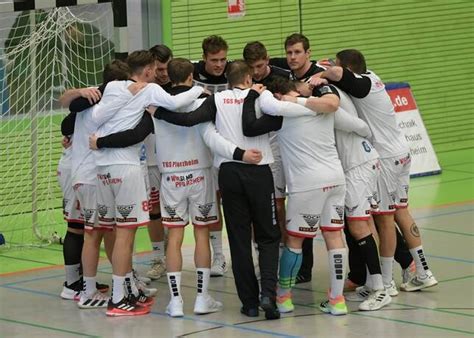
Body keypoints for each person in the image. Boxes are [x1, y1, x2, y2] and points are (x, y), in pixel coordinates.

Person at [152, 61, 317, 320]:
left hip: (229, 172)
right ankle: (268, 295)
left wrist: (158, 113)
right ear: (250, 77)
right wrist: (313, 106)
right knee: (268, 237)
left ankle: (249, 303)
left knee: (239, 239)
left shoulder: (216, 100)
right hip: (259, 171)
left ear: (227, 79)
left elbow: (193, 123)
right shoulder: (261, 97)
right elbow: (283, 113)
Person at [86, 50, 205, 316]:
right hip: (126, 167)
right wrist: (200, 90)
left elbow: (95, 118)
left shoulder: (115, 86)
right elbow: (177, 103)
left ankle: (124, 292)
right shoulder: (149, 90)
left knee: (116, 233)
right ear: (149, 70)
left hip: (102, 167)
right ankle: (118, 300)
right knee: (125, 235)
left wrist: (127, 95)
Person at [312, 49, 437, 293]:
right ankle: (423, 271)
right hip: (401, 151)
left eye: (339, 67)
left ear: (347, 69)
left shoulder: (363, 84)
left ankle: (387, 282)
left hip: (387, 158)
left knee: (384, 219)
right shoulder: (373, 78)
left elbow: (338, 73)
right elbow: (342, 73)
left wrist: (322, 76)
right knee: (402, 212)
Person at [242, 77, 351, 315]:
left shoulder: (285, 110)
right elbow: (342, 112)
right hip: (335, 178)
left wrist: (259, 92)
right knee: (335, 237)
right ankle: (337, 300)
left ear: (280, 95)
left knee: (294, 241)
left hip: (307, 185)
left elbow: (269, 105)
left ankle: (284, 298)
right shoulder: (318, 104)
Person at [295, 79, 391, 311]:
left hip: (359, 166)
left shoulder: (329, 106)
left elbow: (363, 128)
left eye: (301, 85)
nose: (299, 88)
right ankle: (374, 283)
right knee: (363, 224)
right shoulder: (313, 106)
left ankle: (381, 289)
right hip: (353, 167)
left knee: (359, 227)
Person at [59, 60, 132, 308]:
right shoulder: (100, 102)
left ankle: (122, 281)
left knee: (102, 231)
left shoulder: (95, 100)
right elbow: (65, 106)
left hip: (88, 175)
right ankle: (85, 290)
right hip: (89, 176)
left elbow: (67, 121)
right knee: (90, 232)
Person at [243, 41, 290, 258]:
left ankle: (284, 251)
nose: (256, 72)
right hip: (252, 148)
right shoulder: (242, 79)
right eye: (251, 67)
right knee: (255, 207)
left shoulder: (282, 75)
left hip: (280, 146)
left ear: (268, 60)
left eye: (260, 66)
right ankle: (260, 254)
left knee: (278, 206)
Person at [192, 35, 231, 277]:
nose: (219, 65)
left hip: (229, 146)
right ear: (204, 58)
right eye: (214, 60)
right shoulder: (192, 71)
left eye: (223, 59)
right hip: (202, 148)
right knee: (211, 204)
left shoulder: (234, 71)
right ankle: (218, 256)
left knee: (236, 203)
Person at [143, 44, 173, 281]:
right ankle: (158, 258)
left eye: (166, 68)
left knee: (174, 212)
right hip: (151, 161)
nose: (164, 73)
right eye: (159, 69)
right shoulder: (141, 90)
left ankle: (172, 258)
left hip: (176, 160)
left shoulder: (181, 86)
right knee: (154, 211)